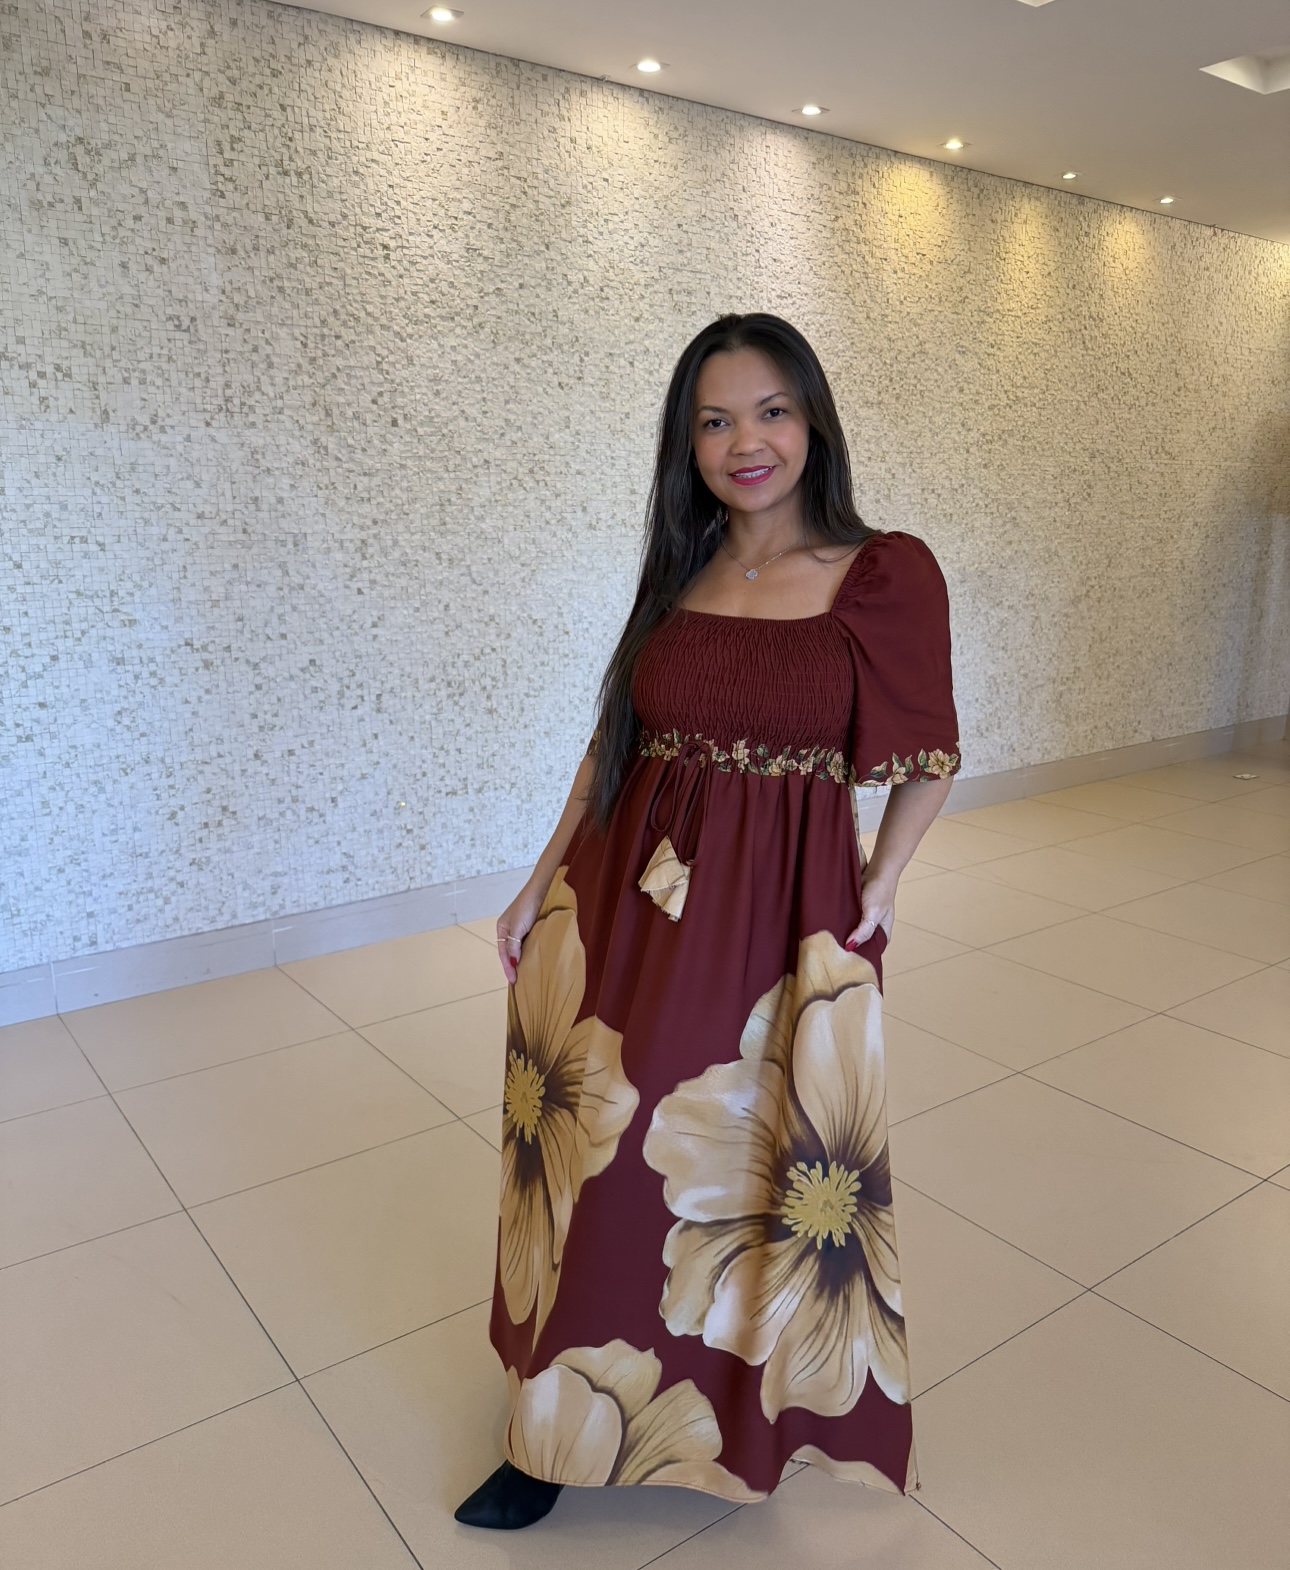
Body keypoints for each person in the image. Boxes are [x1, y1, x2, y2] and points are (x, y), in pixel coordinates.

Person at [455, 313, 961, 1530]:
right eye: (715, 420)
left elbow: (930, 752)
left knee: (741, 1172)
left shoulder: (882, 572)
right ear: (687, 444)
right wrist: (537, 880)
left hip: (778, 917)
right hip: (624, 896)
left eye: (771, 411)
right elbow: (611, 745)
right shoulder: (680, 568)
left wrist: (882, 884)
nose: (747, 442)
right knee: (591, 1156)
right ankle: (549, 1430)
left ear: (813, 420)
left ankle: (735, 1420)